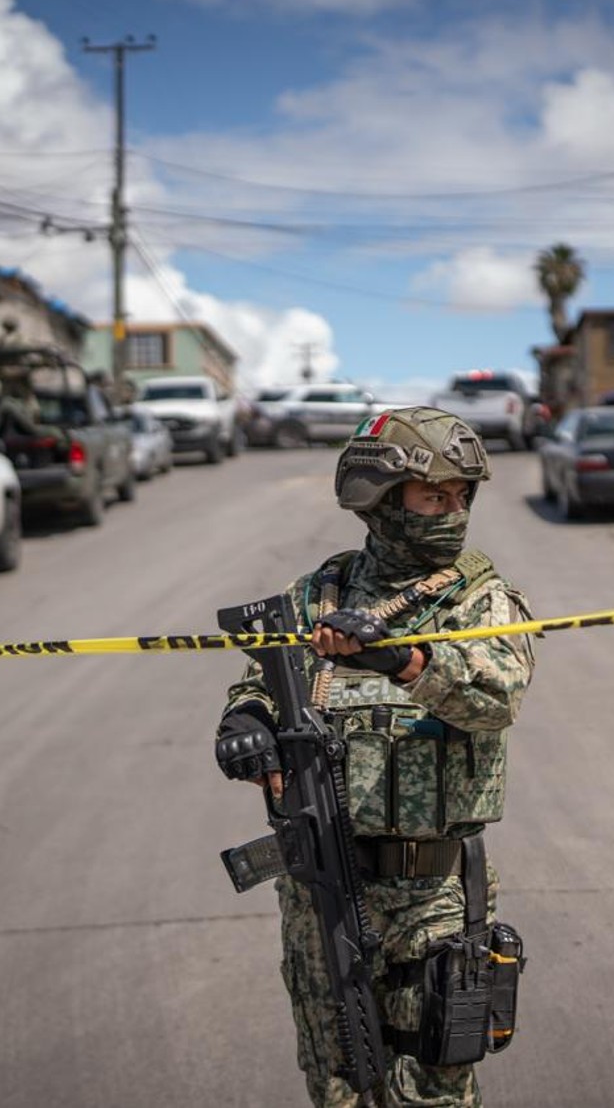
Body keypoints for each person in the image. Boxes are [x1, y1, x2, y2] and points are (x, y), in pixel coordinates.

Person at [215, 406, 536, 1107]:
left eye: (461, 496)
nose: (453, 512)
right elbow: (260, 679)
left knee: (433, 1091)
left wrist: (408, 660)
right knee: (339, 1084)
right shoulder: (317, 594)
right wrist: (246, 719)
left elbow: (498, 693)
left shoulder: (478, 597)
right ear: (383, 503)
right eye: (434, 496)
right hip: (324, 892)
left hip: (434, 895)